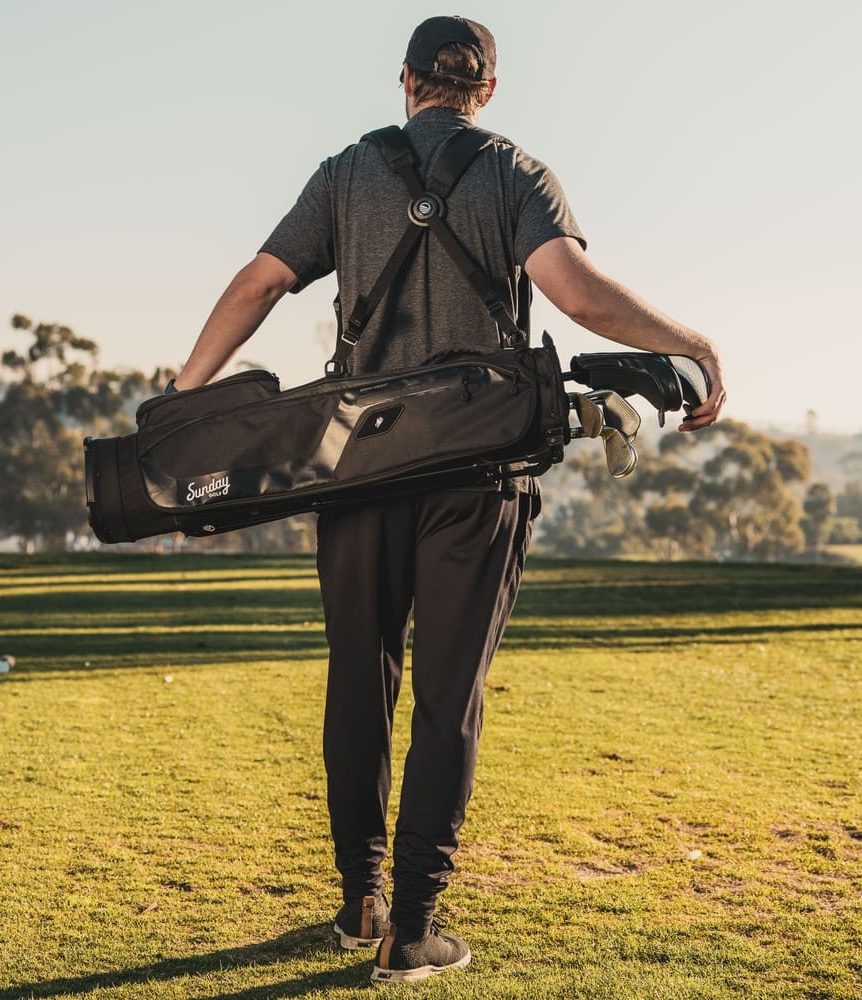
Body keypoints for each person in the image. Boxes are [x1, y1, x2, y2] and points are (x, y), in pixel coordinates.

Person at [172, 15, 726, 985]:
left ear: (405, 81)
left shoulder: (347, 171)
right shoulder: (515, 171)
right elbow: (577, 294)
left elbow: (262, 282)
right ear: (488, 90)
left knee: (361, 674)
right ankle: (413, 929)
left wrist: (185, 401)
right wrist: (696, 343)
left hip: (358, 472)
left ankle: (358, 903)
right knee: (447, 697)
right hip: (478, 474)